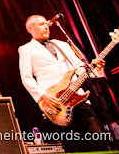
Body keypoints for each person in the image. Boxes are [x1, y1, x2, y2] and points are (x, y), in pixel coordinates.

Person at [18, 14, 109, 152]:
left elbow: (79, 68)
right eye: (41, 24)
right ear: (31, 27)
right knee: (72, 142)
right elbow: (26, 78)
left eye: (46, 23)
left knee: (95, 135)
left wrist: (97, 68)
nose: (46, 26)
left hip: (77, 95)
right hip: (56, 101)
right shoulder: (26, 49)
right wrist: (42, 96)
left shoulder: (62, 45)